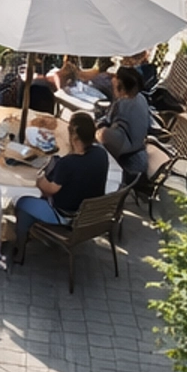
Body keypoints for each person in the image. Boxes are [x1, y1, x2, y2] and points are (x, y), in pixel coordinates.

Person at [12, 111, 110, 262]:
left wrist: (39, 177)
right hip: (89, 215)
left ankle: (19, 251)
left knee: (22, 203)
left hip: (65, 215)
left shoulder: (68, 163)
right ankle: (32, 235)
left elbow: (49, 188)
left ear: (75, 135)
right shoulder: (101, 155)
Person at [100, 64, 153, 185]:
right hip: (140, 153)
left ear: (120, 85)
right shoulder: (141, 98)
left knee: (99, 138)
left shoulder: (121, 104)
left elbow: (105, 126)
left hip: (128, 163)